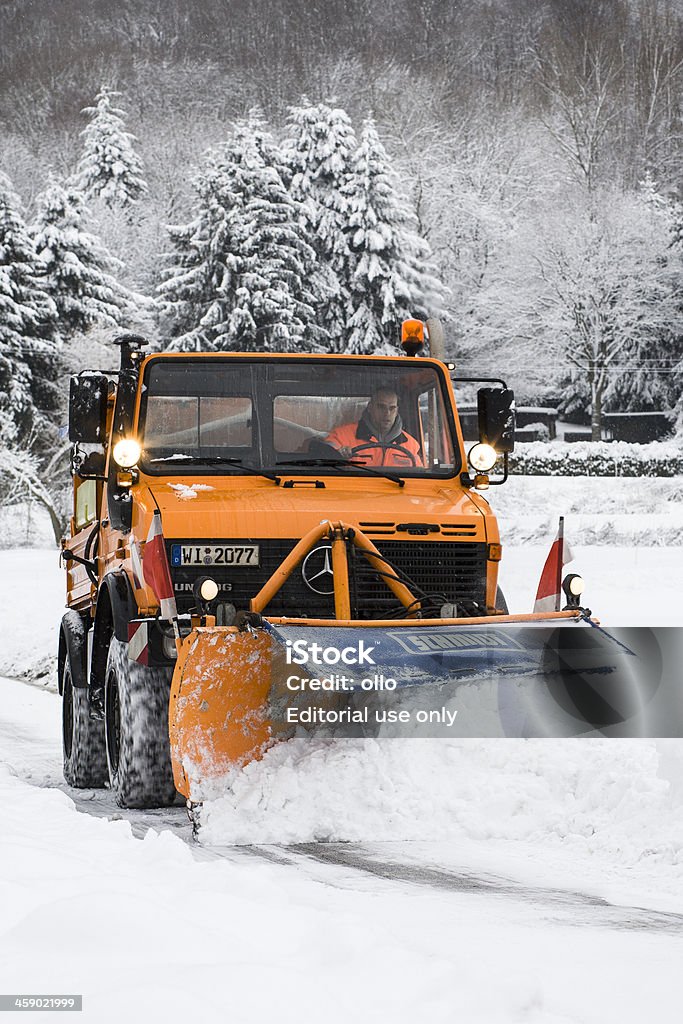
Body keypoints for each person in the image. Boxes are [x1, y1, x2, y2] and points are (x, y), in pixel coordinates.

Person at [324, 387, 423, 468]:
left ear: (397, 411)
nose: (387, 413)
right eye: (381, 407)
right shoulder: (341, 436)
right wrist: (337, 456)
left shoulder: (411, 445)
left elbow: (421, 481)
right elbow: (323, 459)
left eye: (392, 408)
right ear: (370, 408)